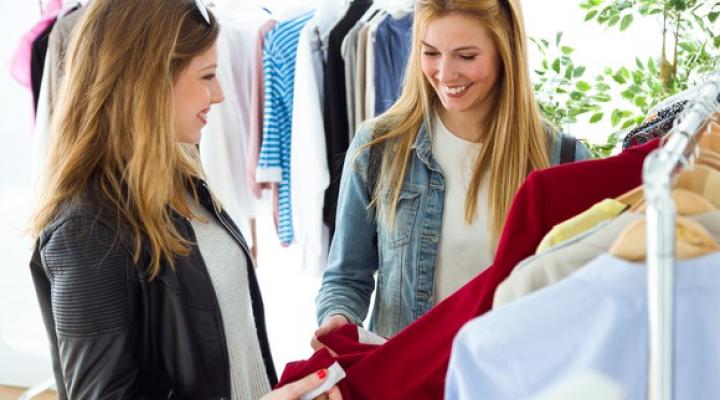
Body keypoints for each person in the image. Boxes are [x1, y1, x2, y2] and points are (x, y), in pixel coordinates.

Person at [28, 0, 341, 399]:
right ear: (149, 79)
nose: (221, 94)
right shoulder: (85, 231)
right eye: (208, 75)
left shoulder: (185, 183)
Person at [314, 0, 590, 342]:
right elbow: (345, 278)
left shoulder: (562, 160)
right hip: (407, 385)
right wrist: (338, 319)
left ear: (506, 51)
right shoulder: (379, 148)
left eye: (466, 56)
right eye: (431, 53)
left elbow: (580, 295)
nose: (445, 74)